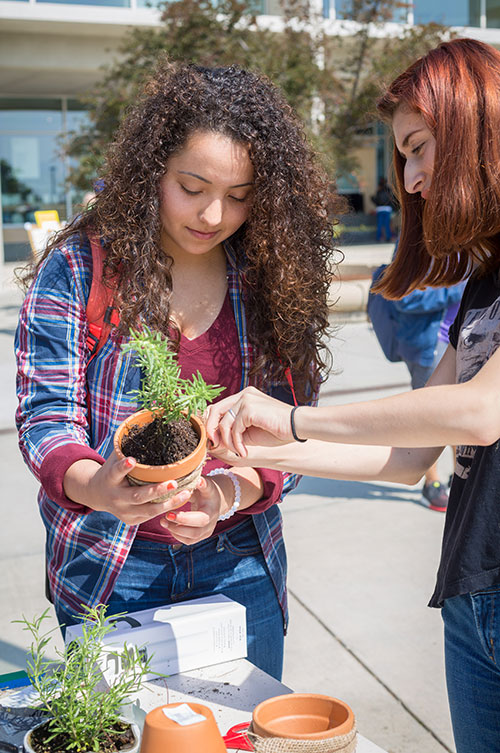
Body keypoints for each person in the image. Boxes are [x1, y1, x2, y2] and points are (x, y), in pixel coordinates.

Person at [206, 38, 500, 751]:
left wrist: (294, 412)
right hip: (470, 596)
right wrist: (255, 446)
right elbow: (407, 457)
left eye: (421, 146)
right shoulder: (486, 285)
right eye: (404, 155)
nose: (413, 175)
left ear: (478, 129)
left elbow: (480, 410)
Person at [15, 61, 342, 681]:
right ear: (152, 170)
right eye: (192, 187)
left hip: (241, 556)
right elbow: (45, 416)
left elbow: (291, 430)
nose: (214, 215)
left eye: (240, 196)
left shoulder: (267, 276)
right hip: (110, 563)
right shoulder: (82, 268)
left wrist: (224, 494)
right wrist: (97, 484)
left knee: (242, 737)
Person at [369, 262, 465, 511]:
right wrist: (458, 289)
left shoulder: (469, 238)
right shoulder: (418, 234)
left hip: (462, 343)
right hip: (429, 347)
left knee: (458, 413)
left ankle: (459, 475)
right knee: (429, 416)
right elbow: (402, 296)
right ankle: (431, 484)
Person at [370, 177, 395, 242]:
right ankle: (388, 237)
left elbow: (376, 200)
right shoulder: (389, 190)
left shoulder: (379, 190)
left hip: (380, 209)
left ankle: (378, 238)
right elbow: (392, 199)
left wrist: (372, 198)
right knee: (387, 224)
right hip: (387, 209)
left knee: (380, 224)